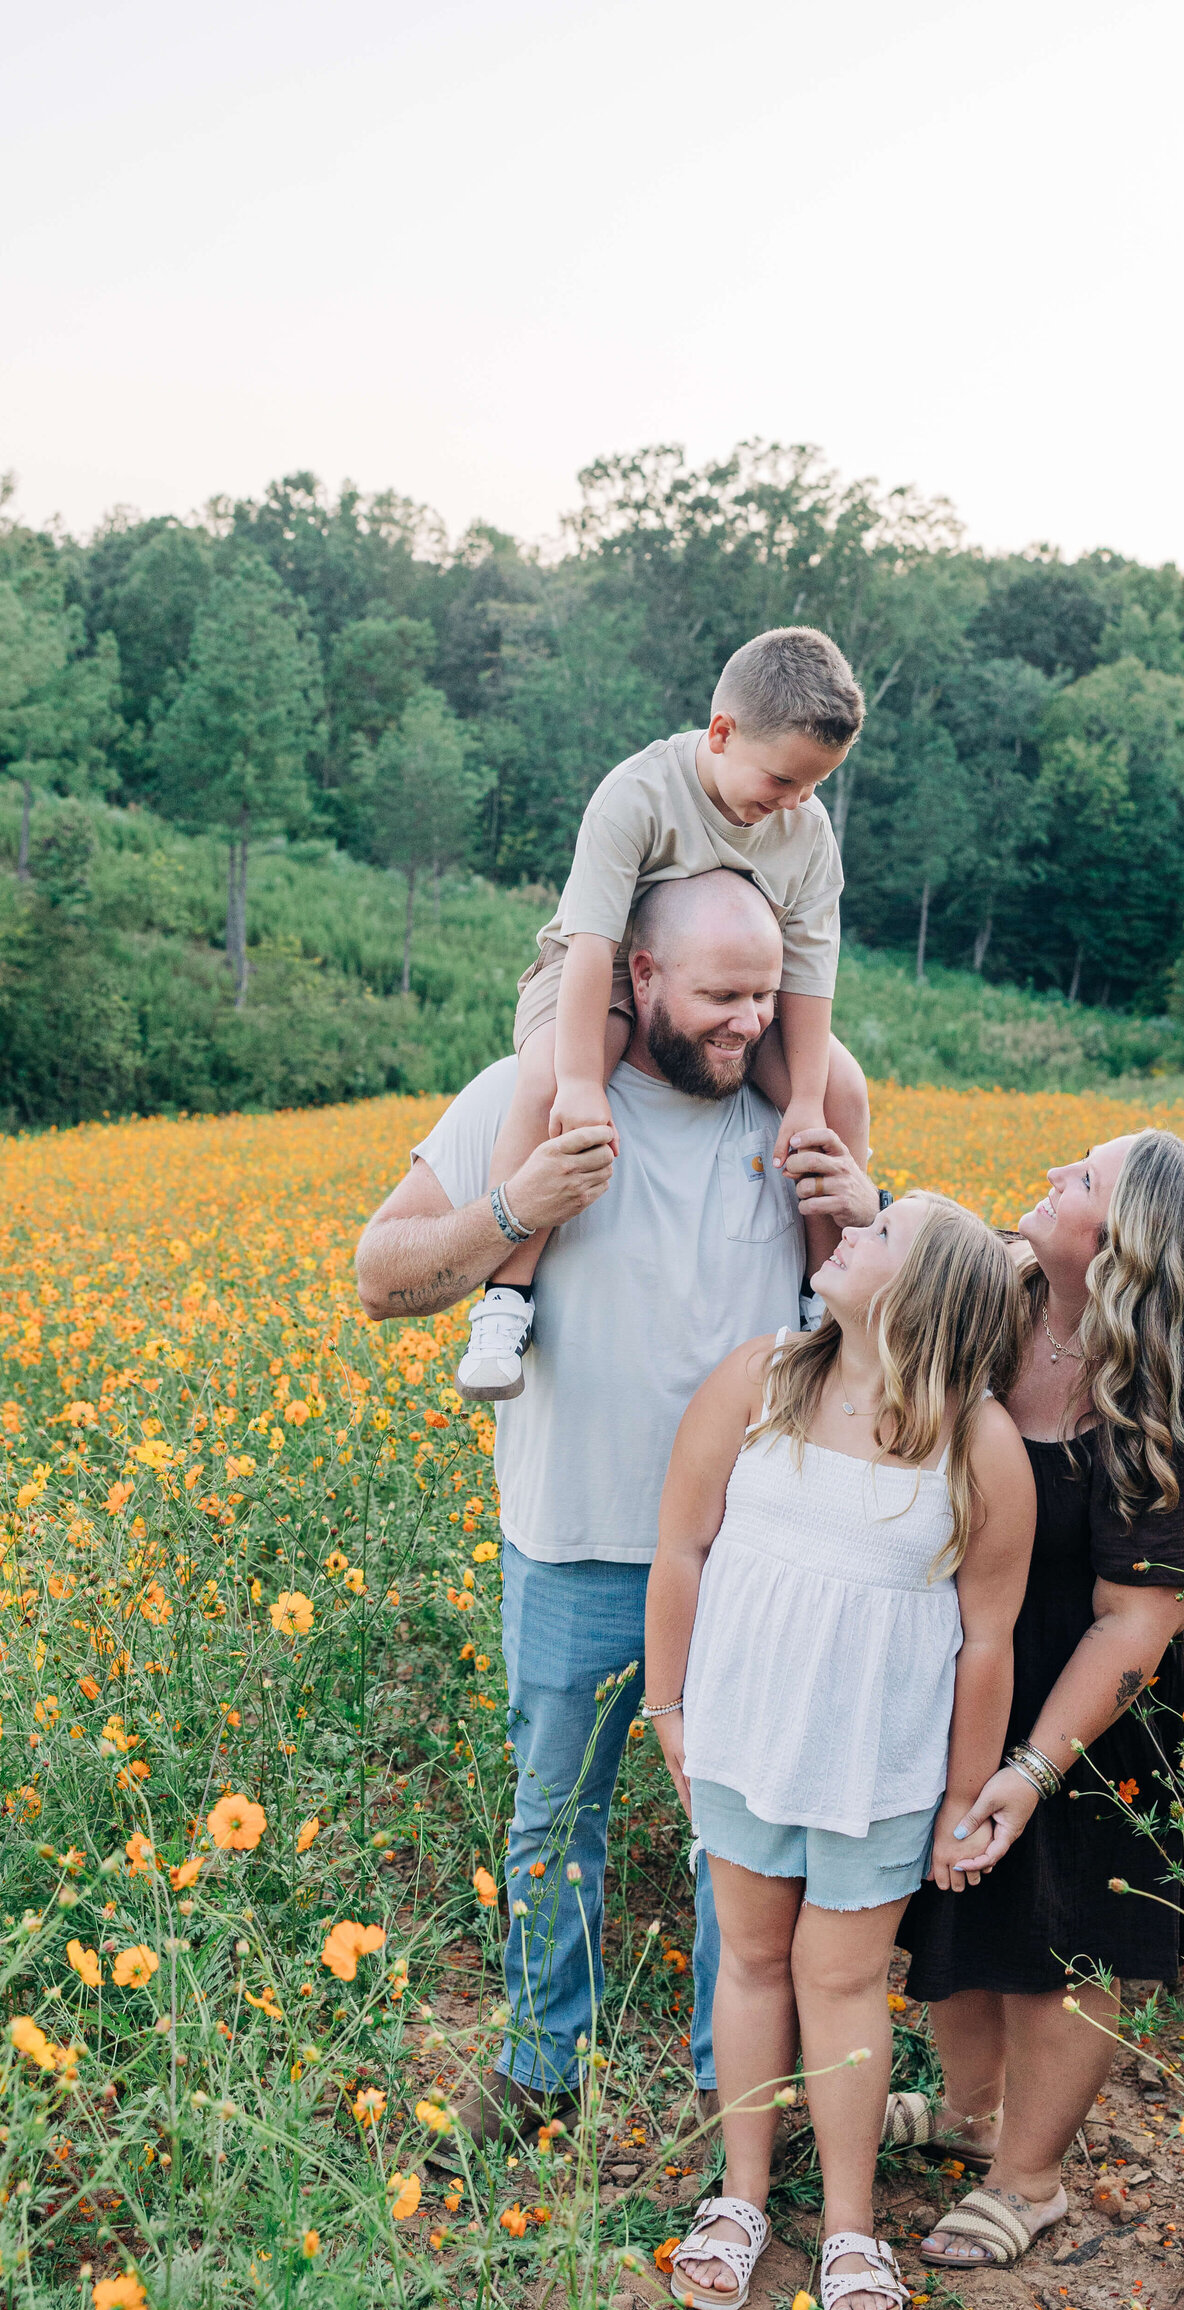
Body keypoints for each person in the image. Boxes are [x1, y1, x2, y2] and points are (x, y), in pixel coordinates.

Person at [354, 871, 887, 2154]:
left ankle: (735, 2093)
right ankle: (543, 2065)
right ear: (638, 978)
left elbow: (876, 1304)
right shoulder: (526, 1093)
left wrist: (863, 1207)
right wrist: (513, 1209)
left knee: (744, 1836)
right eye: (719, 995)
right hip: (572, 1543)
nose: (749, 1022)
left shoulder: (796, 1106)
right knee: (554, 1821)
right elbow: (380, 1276)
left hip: (751, 1556)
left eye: (767, 995)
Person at [644, 1196, 1035, 2310]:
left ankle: (853, 2225)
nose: (848, 1232)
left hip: (877, 1766)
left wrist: (963, 1795)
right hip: (740, 1739)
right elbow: (682, 1547)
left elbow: (987, 1642)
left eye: (878, 1233)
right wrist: (669, 1706)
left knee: (843, 1981)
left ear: (924, 1297)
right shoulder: (760, 1380)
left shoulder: (979, 1441)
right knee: (754, 1963)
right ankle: (742, 2199)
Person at [890, 1128, 1184, 2270]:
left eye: (1083, 1179)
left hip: (1105, 1715)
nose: (1051, 1175)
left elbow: (1135, 1623)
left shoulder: (1175, 1407)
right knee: (953, 1901)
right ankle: (965, 2116)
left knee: (1064, 1935)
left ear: (1128, 1243)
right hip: (973, 1666)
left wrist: (1032, 1767)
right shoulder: (998, 1305)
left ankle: (1029, 2177)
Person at [453, 625, 871, 1406]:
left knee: (839, 1097)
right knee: (546, 1081)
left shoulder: (807, 833)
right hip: (604, 963)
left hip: (740, 984)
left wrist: (806, 1100)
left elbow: (810, 980)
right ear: (721, 733)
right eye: (783, 780)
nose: (797, 802)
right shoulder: (637, 795)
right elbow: (591, 944)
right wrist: (581, 1081)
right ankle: (505, 1302)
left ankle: (823, 1302)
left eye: (814, 786)